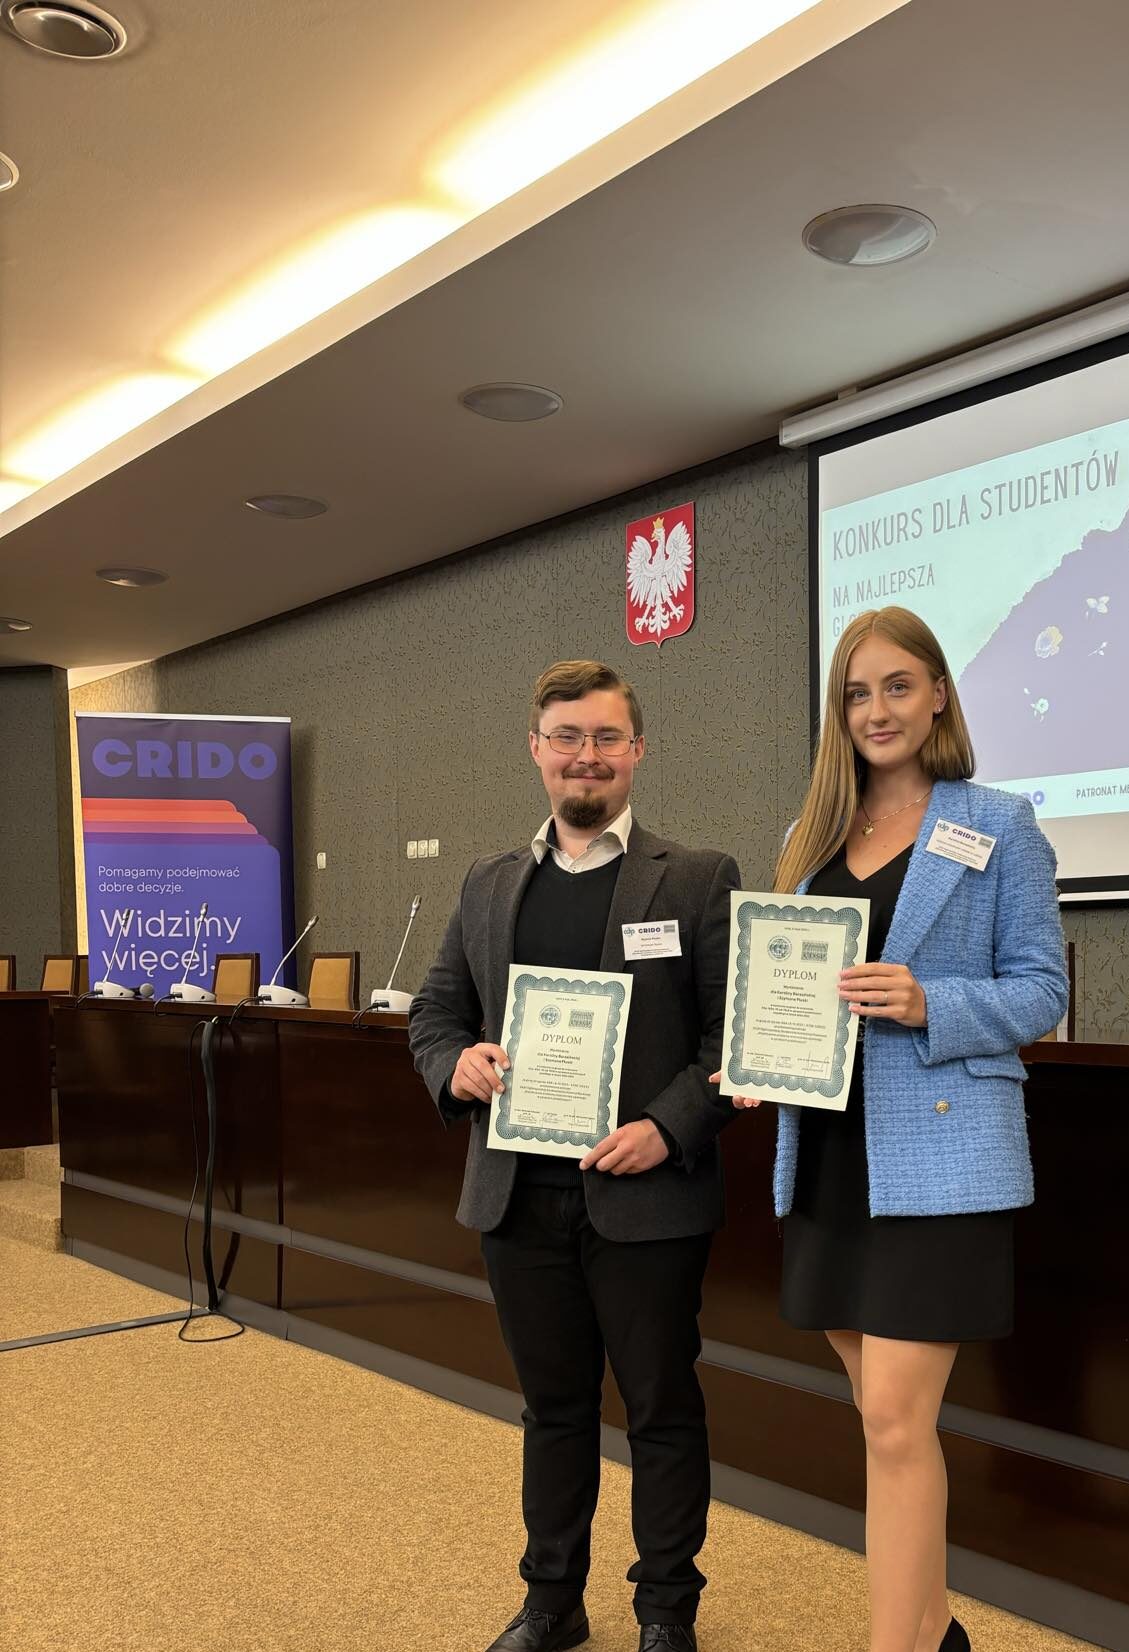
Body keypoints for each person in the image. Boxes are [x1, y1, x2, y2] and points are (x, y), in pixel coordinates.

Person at [733, 606, 1067, 1652]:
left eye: (896, 685)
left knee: (893, 1418)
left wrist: (932, 1001)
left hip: (943, 1151)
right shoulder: (810, 840)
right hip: (832, 1153)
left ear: (937, 695)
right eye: (855, 693)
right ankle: (936, 1631)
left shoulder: (1001, 823)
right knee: (885, 1426)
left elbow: (1042, 989)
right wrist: (756, 1056)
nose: (876, 710)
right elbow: (792, 992)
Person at [409, 660, 740, 1652]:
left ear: (636, 750)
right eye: (566, 737)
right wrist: (457, 1063)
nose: (584, 755)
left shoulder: (696, 877)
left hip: (647, 1198)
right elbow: (436, 1012)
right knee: (552, 1411)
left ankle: (666, 1612)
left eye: (604, 737)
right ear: (536, 749)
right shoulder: (488, 881)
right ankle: (551, 1601)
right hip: (517, 1200)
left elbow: (730, 1039)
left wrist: (668, 1127)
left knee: (661, 1411)